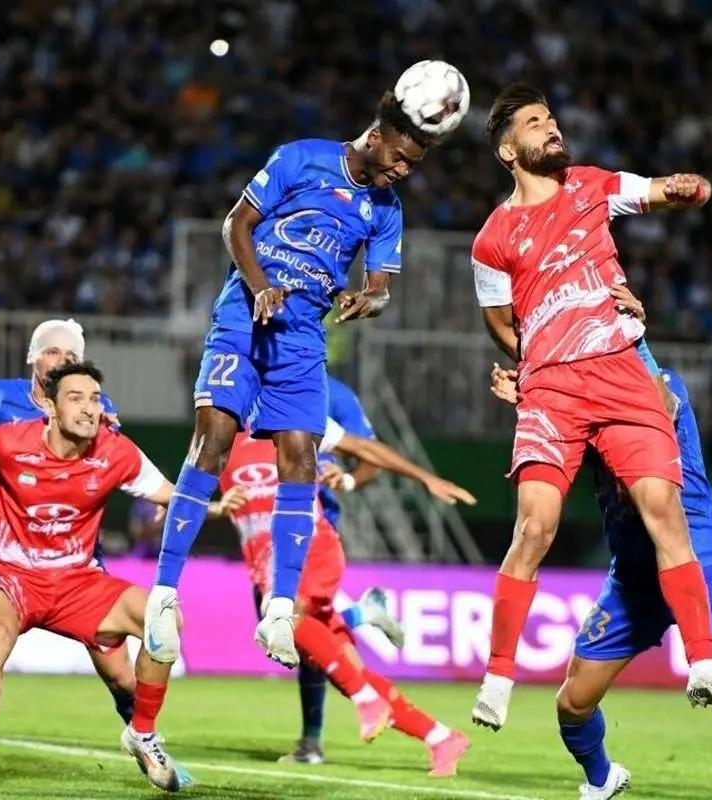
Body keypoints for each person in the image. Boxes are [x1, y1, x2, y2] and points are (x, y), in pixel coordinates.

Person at [468, 81, 712, 728]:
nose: (551, 127)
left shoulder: (593, 185)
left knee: (665, 511)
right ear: (508, 151)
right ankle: (499, 675)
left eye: (552, 118)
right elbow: (500, 323)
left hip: (621, 375)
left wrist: (689, 188)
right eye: (535, 123)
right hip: (554, 390)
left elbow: (677, 191)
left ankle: (702, 662)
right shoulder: (491, 240)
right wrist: (537, 360)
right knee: (535, 527)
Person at [147, 75, 446, 669]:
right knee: (214, 440)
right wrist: (259, 285)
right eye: (399, 157)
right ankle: (162, 594)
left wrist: (368, 298)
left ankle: (280, 608)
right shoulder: (300, 158)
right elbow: (235, 224)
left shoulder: (386, 210)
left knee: (301, 458)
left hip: (304, 336)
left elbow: (382, 286)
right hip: (244, 315)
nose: (402, 170)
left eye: (413, 165)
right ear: (376, 136)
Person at [0, 361, 245, 794]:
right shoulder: (9, 440)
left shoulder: (116, 451)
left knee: (165, 619)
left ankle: (142, 734)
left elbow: (170, 495)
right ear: (50, 407)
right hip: (12, 573)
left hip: (77, 581)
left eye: (94, 399)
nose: (88, 408)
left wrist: (214, 508)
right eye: (76, 398)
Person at [490, 357, 712, 800]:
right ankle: (602, 779)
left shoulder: (658, 382)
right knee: (573, 703)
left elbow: (663, 406)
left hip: (698, 556)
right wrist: (535, 396)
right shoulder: (576, 399)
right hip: (633, 579)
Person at [0, 319, 137, 785]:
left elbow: (115, 450)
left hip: (70, 559)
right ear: (32, 357)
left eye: (70, 356)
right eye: (51, 352)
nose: (60, 361)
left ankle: (144, 738)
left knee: (121, 677)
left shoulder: (90, 406)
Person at [223, 415, 474, 775]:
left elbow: (365, 449)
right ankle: (441, 738)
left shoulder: (295, 412)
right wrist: (215, 507)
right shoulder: (217, 433)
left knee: (280, 617)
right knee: (348, 671)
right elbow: (188, 497)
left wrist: (425, 478)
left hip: (312, 547)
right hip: (268, 567)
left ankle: (364, 695)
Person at [281, 374, 403, 764]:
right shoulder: (251, 386)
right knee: (291, 632)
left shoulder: (335, 394)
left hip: (314, 526)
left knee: (296, 627)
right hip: (267, 525)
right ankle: (361, 614)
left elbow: (372, 457)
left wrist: (347, 478)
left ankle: (311, 742)